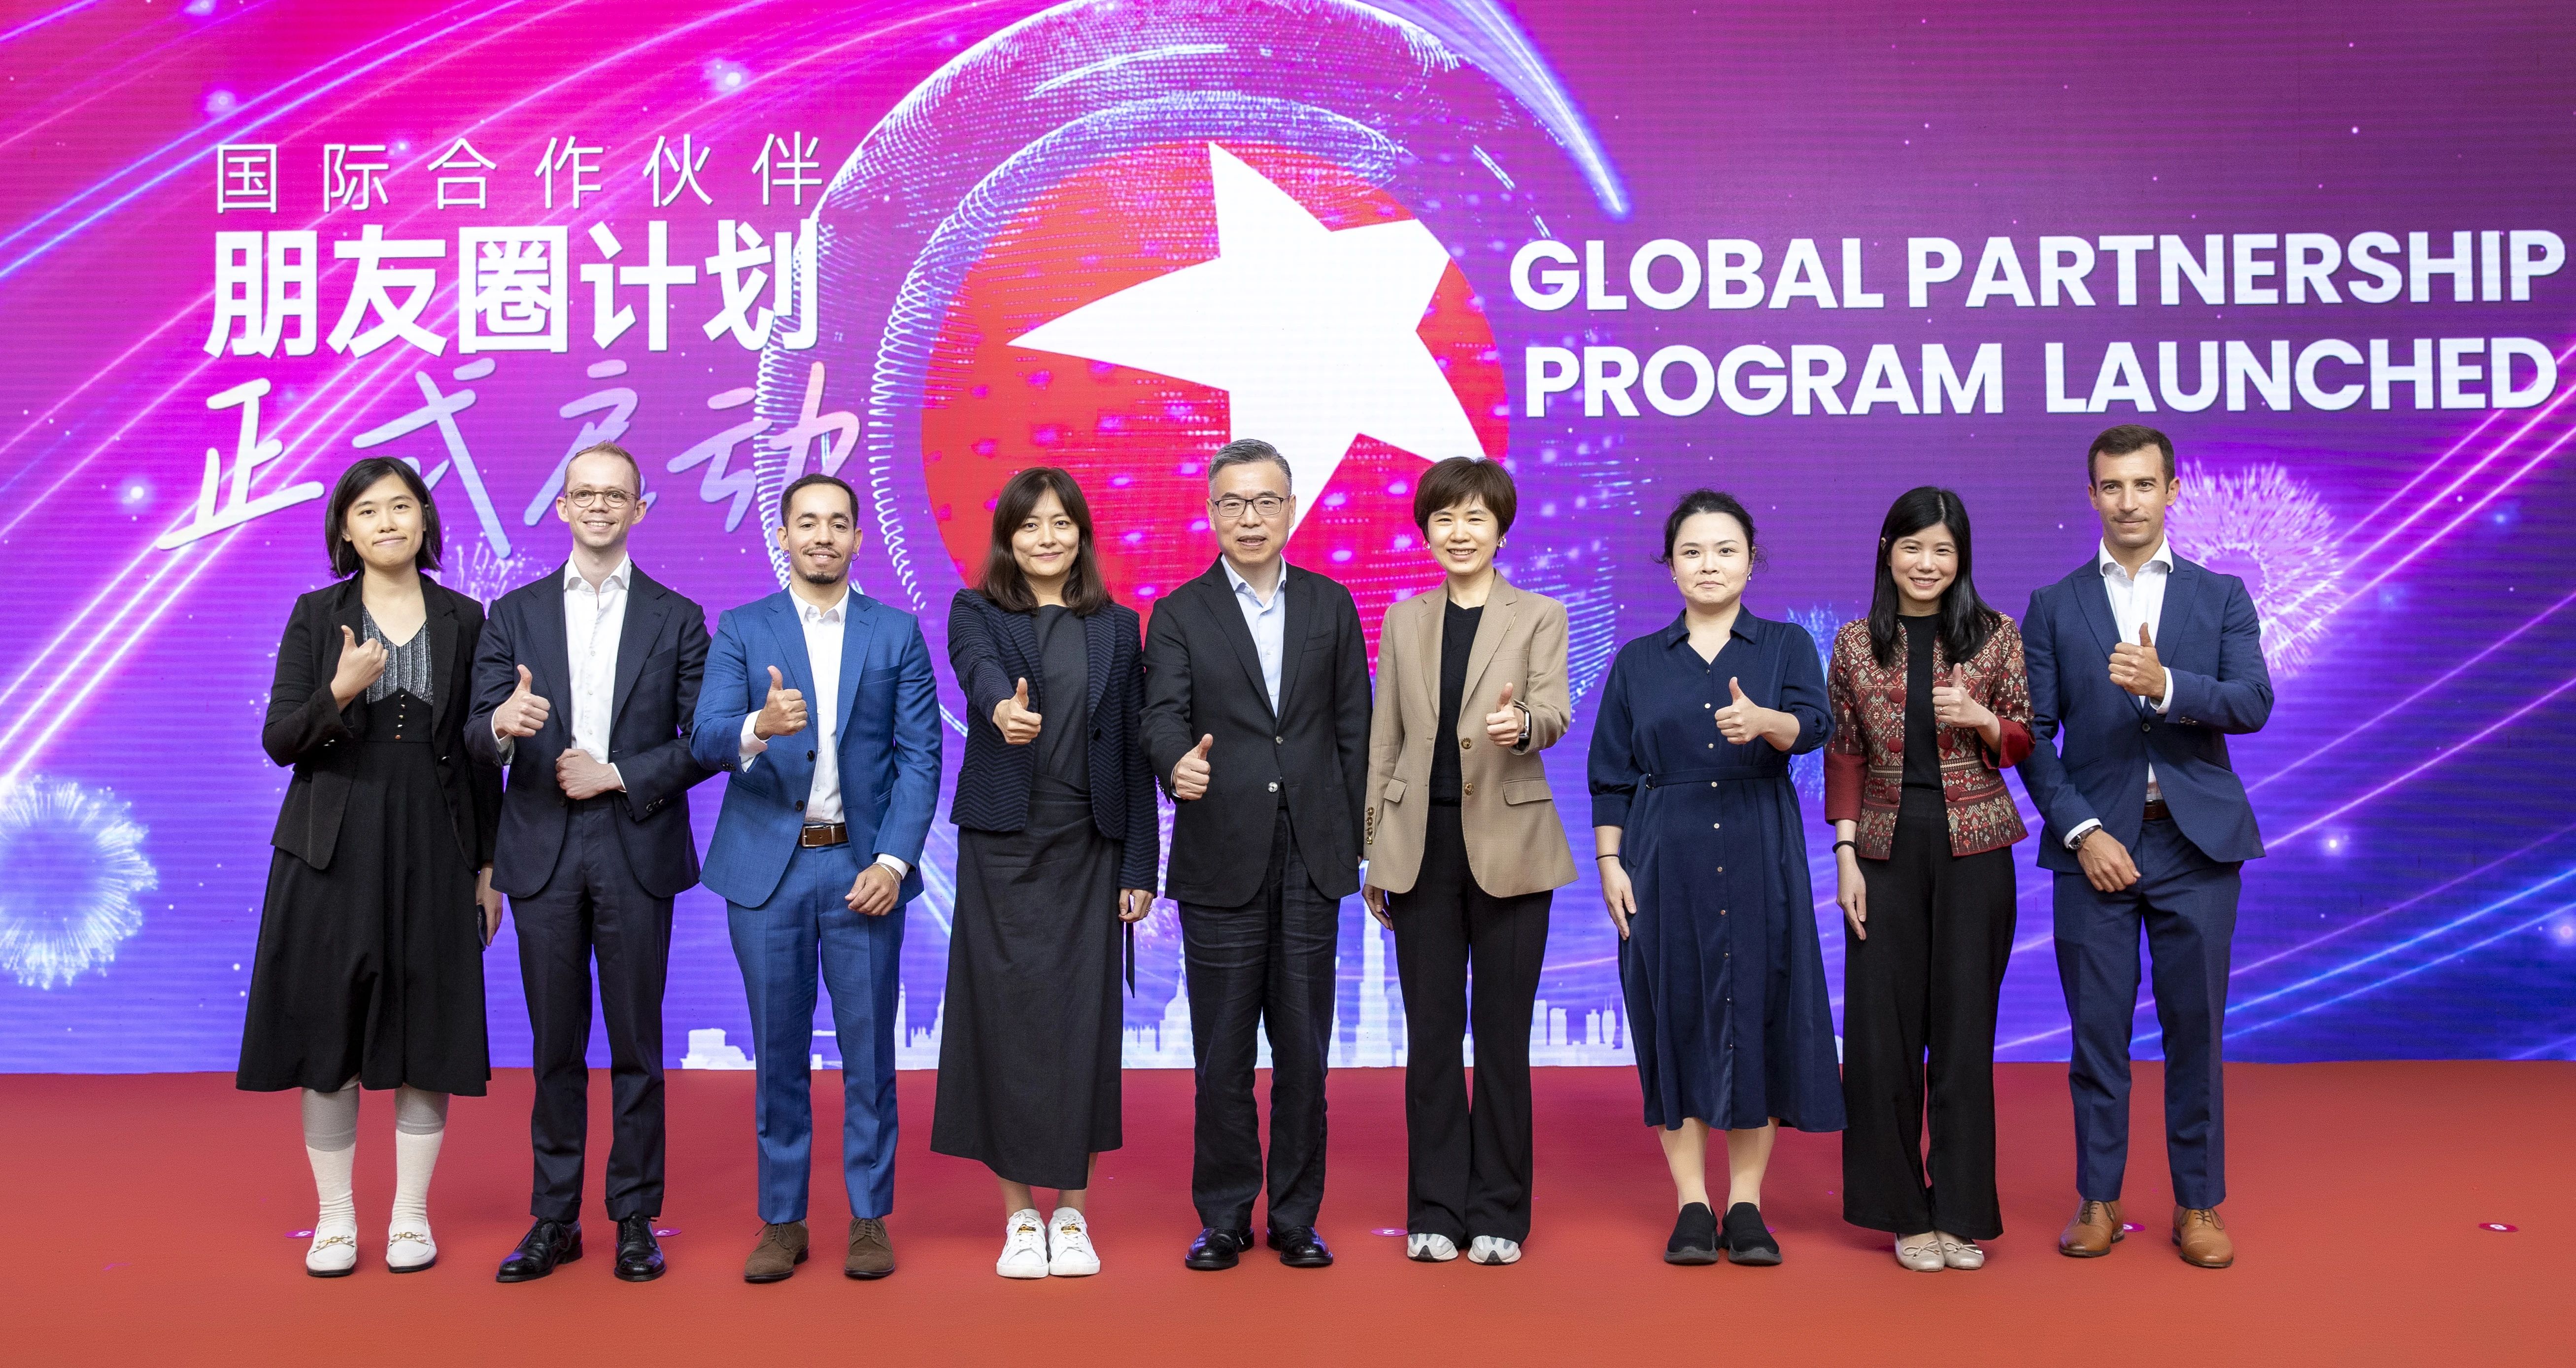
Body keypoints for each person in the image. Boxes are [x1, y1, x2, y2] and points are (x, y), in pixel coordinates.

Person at [237, 457, 503, 1277]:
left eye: (401, 506)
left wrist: (488, 865)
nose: (388, 522)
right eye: (368, 511)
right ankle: (336, 1221)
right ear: (345, 532)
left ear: (424, 519)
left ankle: (410, 1218)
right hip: (332, 850)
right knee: (331, 1032)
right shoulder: (317, 615)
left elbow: (478, 756)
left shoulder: (467, 617)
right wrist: (341, 692)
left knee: (431, 1027)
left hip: (436, 844)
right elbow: (281, 740)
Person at [2017, 424, 2271, 1270]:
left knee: (2196, 1033)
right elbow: (2031, 738)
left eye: (2144, 485)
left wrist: (2166, 686)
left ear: (2172, 490)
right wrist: (2082, 831)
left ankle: (2199, 1203)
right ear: (2091, 495)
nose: (2128, 502)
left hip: (2198, 848)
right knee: (2097, 1037)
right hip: (2095, 852)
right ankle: (2098, 1198)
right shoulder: (2054, 606)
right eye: (2112, 487)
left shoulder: (2221, 595)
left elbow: (2252, 702)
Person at [467, 442, 717, 1284]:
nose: (600, 506)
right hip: (540, 845)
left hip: (635, 841)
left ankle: (636, 1218)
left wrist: (617, 774)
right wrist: (501, 725)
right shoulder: (513, 613)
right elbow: (475, 733)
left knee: (639, 1044)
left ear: (639, 509)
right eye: (585, 494)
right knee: (555, 1046)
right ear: (563, 508)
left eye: (616, 495)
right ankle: (555, 1219)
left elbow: (706, 739)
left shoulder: (679, 617)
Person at [689, 473, 942, 1284]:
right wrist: (757, 726)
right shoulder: (743, 627)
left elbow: (921, 757)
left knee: (870, 1054)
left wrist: (894, 862)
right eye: (807, 522)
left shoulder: (895, 632)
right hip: (768, 871)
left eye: (838, 523)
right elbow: (704, 737)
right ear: (785, 536)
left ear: (859, 538)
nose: (822, 536)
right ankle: (783, 1220)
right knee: (778, 1053)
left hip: (863, 869)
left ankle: (869, 1218)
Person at [1588, 488, 1841, 1267]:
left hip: (1762, 845)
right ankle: (1692, 1203)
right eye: (1692, 552)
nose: (1709, 565)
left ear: (1750, 561)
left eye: (1726, 550)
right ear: (1670, 566)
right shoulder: (1638, 661)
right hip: (1663, 853)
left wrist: (1768, 723)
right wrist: (1609, 864)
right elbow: (1611, 775)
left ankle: (1748, 1204)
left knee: (1759, 1011)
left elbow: (1817, 725)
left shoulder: (1785, 646)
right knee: (1675, 1015)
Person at [1142, 437, 1370, 1271]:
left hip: (1312, 857)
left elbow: (1355, 728)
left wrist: (1357, 844)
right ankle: (1224, 1218)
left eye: (1266, 501)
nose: (1250, 517)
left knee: (1305, 1056)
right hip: (1220, 856)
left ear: (1291, 510)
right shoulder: (1179, 613)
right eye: (1233, 503)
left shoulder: (1331, 604)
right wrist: (1176, 763)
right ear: (1211, 513)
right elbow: (1159, 716)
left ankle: (1298, 1219)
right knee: (1223, 1056)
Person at [934, 467, 1157, 1279]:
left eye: (1061, 523)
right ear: (1009, 538)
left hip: (1091, 846)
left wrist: (1141, 864)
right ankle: (1020, 1217)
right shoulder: (977, 611)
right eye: (1030, 525)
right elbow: (977, 670)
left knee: (1083, 1028)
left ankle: (1073, 1215)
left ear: (1082, 535)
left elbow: (1133, 753)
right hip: (1003, 845)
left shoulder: (1120, 627)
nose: (1047, 538)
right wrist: (1002, 709)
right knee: (1004, 1024)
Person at [1361, 456, 1575, 1267]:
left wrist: (1523, 726)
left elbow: (1554, 709)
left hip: (1512, 848)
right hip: (1420, 849)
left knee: (1502, 1037)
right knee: (1431, 1038)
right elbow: (1386, 739)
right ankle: (1435, 1208)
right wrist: (1375, 849)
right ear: (1426, 531)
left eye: (1475, 518)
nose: (1460, 532)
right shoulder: (1403, 619)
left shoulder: (1539, 615)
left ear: (1500, 530)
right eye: (1445, 518)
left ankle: (1498, 1213)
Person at [1825, 487, 2033, 1272]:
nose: (1927, 563)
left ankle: (1959, 1211)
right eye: (1913, 547)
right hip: (1881, 852)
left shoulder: (1996, 636)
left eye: (1943, 550)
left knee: (1964, 1033)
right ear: (1888, 551)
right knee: (1881, 1039)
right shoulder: (1855, 643)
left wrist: (1984, 722)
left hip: (1976, 851)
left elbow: (2024, 736)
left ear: (1961, 558)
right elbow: (1844, 752)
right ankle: (1902, 1214)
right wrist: (1845, 855)